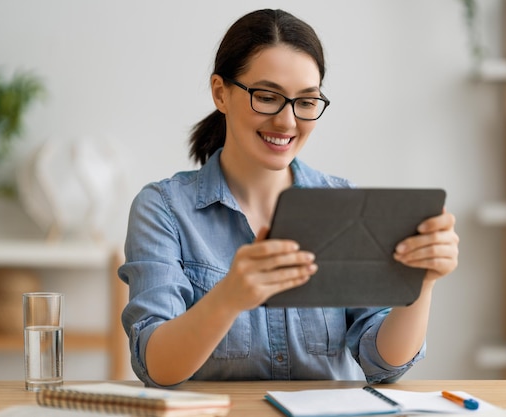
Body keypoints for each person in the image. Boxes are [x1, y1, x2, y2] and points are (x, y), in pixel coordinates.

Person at [118, 8, 459, 388]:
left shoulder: (342, 202)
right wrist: (229, 297)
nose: (287, 121)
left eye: (306, 101)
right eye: (267, 96)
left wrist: (419, 283)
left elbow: (381, 364)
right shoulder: (163, 209)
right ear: (221, 93)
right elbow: (156, 365)